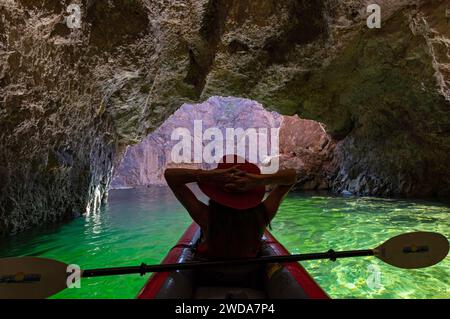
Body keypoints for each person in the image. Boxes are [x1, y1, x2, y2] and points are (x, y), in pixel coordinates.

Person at [164, 155, 297, 261]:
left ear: (216, 191)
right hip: (249, 275)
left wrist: (208, 175)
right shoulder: (263, 214)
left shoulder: (206, 217)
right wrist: (260, 180)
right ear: (252, 190)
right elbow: (291, 177)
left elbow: (171, 176)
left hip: (211, 275)